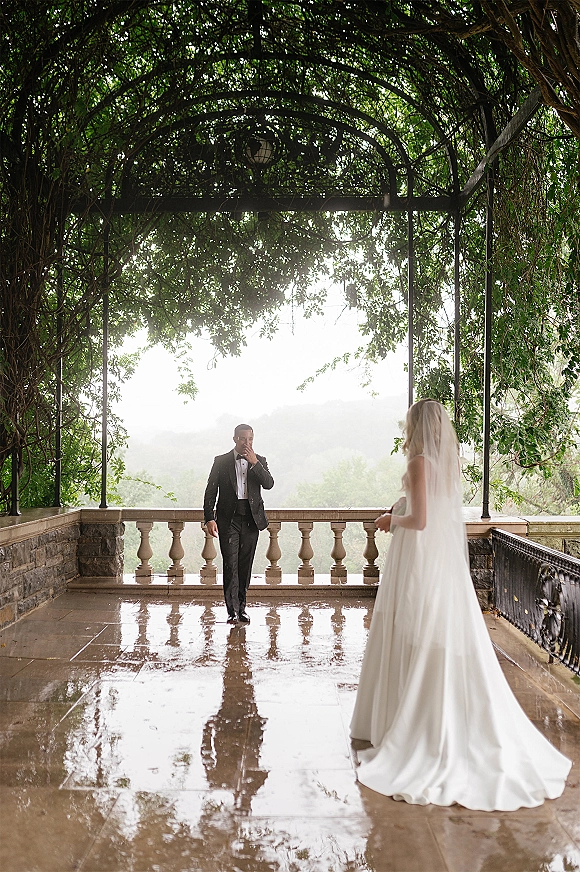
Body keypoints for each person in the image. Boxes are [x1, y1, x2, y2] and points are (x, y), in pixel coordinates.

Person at [350, 399, 571, 811]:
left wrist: (388, 521)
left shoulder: (419, 461)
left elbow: (421, 521)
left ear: (416, 425)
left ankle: (417, 724)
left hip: (417, 559)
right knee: (434, 632)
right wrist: (400, 507)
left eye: (407, 422)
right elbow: (429, 507)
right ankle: (430, 717)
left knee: (414, 631)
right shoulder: (445, 465)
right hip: (439, 566)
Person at [204, 424, 274, 624]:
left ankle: (242, 608)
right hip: (228, 520)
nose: (247, 443)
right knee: (230, 565)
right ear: (235, 438)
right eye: (243, 439)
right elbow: (211, 491)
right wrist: (209, 518)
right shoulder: (221, 461)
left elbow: (268, 484)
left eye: (250, 439)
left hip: (252, 519)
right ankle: (232, 610)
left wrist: (254, 463)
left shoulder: (260, 460)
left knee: (245, 565)